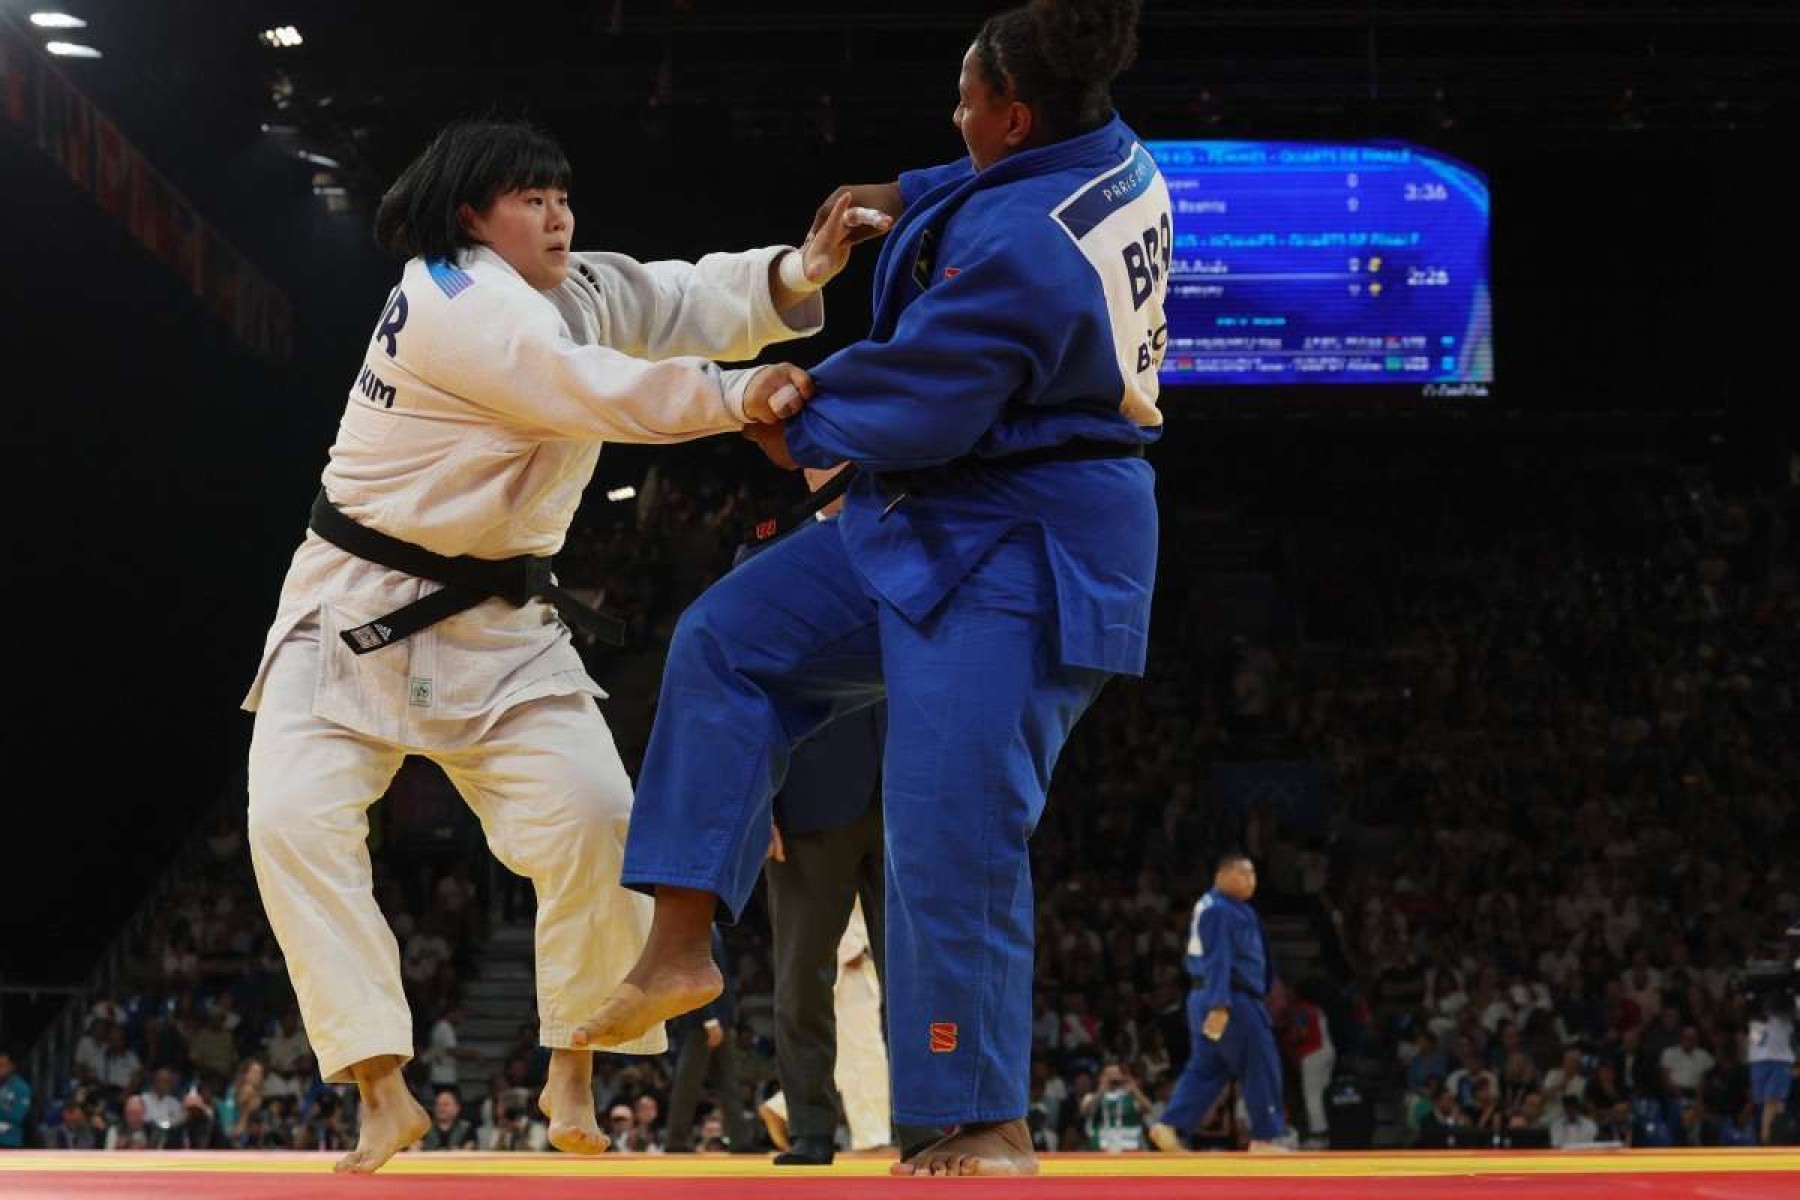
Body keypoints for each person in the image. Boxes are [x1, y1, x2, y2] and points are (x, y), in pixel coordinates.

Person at [580, 0, 1170, 1178]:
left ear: (1012, 114)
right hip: (947, 509)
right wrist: (911, 189)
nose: (954, 118)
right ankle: (683, 938)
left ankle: (980, 1118)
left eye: (966, 104)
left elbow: (926, 396)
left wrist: (788, 417)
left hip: (1031, 543)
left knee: (951, 832)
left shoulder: (1021, 250)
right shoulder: (1110, 150)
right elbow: (995, 186)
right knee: (727, 639)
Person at [242, 118, 873, 1174]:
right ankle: (380, 1089)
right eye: (529, 199)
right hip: (350, 608)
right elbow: (593, 388)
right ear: (470, 217)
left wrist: (796, 270)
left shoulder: (571, 292)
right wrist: (732, 395)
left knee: (594, 821)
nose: (557, 215)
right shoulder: (455, 302)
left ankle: (572, 1062)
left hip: (503, 623)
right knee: (291, 823)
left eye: (561, 194)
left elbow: (676, 297)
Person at [1149, 853, 1290, 1153]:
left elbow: (1259, 959)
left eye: (1253, 875)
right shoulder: (1217, 909)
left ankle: (1169, 1125)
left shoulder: (1238, 909)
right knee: (1259, 1060)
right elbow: (1218, 958)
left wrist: (1268, 988)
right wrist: (1220, 1003)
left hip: (1219, 996)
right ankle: (1264, 1139)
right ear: (1222, 876)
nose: (1250, 881)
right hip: (1229, 999)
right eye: (1242, 875)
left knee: (1209, 1066)